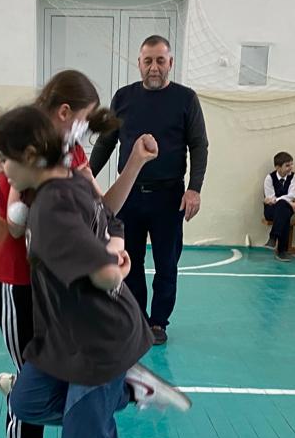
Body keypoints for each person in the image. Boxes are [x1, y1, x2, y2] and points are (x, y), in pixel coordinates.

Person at [0, 105, 189, 438]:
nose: (0, 168)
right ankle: (129, 388)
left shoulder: (53, 209)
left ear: (30, 156)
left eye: (5, 158)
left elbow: (103, 272)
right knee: (25, 402)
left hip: (99, 339)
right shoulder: (62, 185)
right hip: (64, 336)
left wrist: (113, 266)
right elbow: (109, 218)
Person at [0, 70, 156, 438]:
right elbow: (16, 222)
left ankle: (45, 388)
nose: (86, 127)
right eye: (83, 117)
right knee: (31, 380)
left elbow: (104, 210)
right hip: (19, 281)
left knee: (49, 380)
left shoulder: (68, 153)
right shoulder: (24, 146)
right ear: (64, 113)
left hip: (58, 289)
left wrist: (134, 166)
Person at [89, 35, 209, 346]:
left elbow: (199, 145)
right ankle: (138, 318)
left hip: (169, 197)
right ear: (139, 63)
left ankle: (158, 322)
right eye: (148, 61)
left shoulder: (186, 99)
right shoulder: (123, 97)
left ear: (170, 63)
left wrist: (194, 189)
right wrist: (85, 176)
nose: (154, 67)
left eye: (160, 61)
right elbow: (106, 142)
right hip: (129, 196)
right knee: (130, 261)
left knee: (167, 264)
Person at [263, 151, 295, 262]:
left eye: (291, 164)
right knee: (284, 213)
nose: (291, 168)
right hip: (271, 210)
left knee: (283, 209)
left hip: (287, 208)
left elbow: (292, 195)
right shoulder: (269, 178)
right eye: (287, 165)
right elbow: (270, 199)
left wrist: (283, 201)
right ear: (278, 167)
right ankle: (282, 251)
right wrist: (288, 202)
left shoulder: (293, 177)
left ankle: (273, 237)